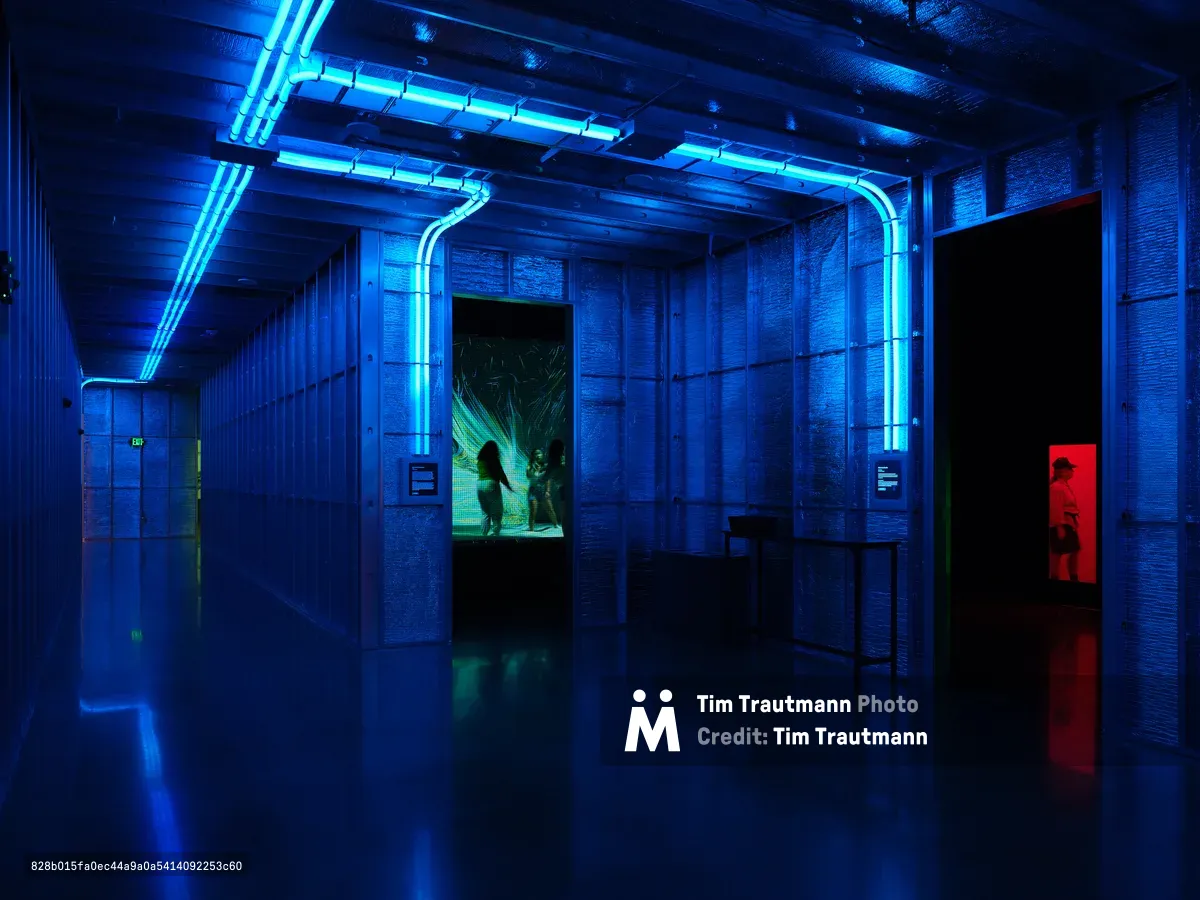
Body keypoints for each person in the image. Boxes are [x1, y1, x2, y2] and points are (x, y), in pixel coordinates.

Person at [1049, 457, 1081, 581]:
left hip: (1067, 524)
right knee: (1056, 554)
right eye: (1069, 469)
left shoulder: (1063, 486)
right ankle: (1056, 579)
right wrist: (1059, 527)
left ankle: (1072, 577)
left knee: (1072, 551)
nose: (1072, 472)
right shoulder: (1057, 487)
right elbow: (1055, 508)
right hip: (1062, 525)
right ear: (1062, 471)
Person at [476, 441, 512, 536]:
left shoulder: (480, 460)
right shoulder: (493, 459)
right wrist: (507, 485)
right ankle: (495, 534)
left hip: (479, 484)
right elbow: (501, 474)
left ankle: (483, 535)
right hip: (491, 484)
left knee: (485, 512)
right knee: (496, 511)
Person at [525, 448, 557, 531]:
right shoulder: (530, 466)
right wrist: (533, 466)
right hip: (533, 491)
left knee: (550, 509)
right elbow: (528, 476)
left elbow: (548, 479)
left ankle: (556, 525)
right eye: (536, 454)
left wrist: (547, 491)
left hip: (543, 491)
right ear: (533, 456)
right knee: (533, 510)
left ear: (542, 455)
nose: (538, 455)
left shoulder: (545, 466)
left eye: (539, 453)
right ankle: (531, 529)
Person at [544, 438, 566, 530]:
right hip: (567, 490)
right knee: (567, 516)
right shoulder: (555, 463)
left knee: (565, 517)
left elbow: (545, 477)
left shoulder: (552, 464)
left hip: (565, 490)